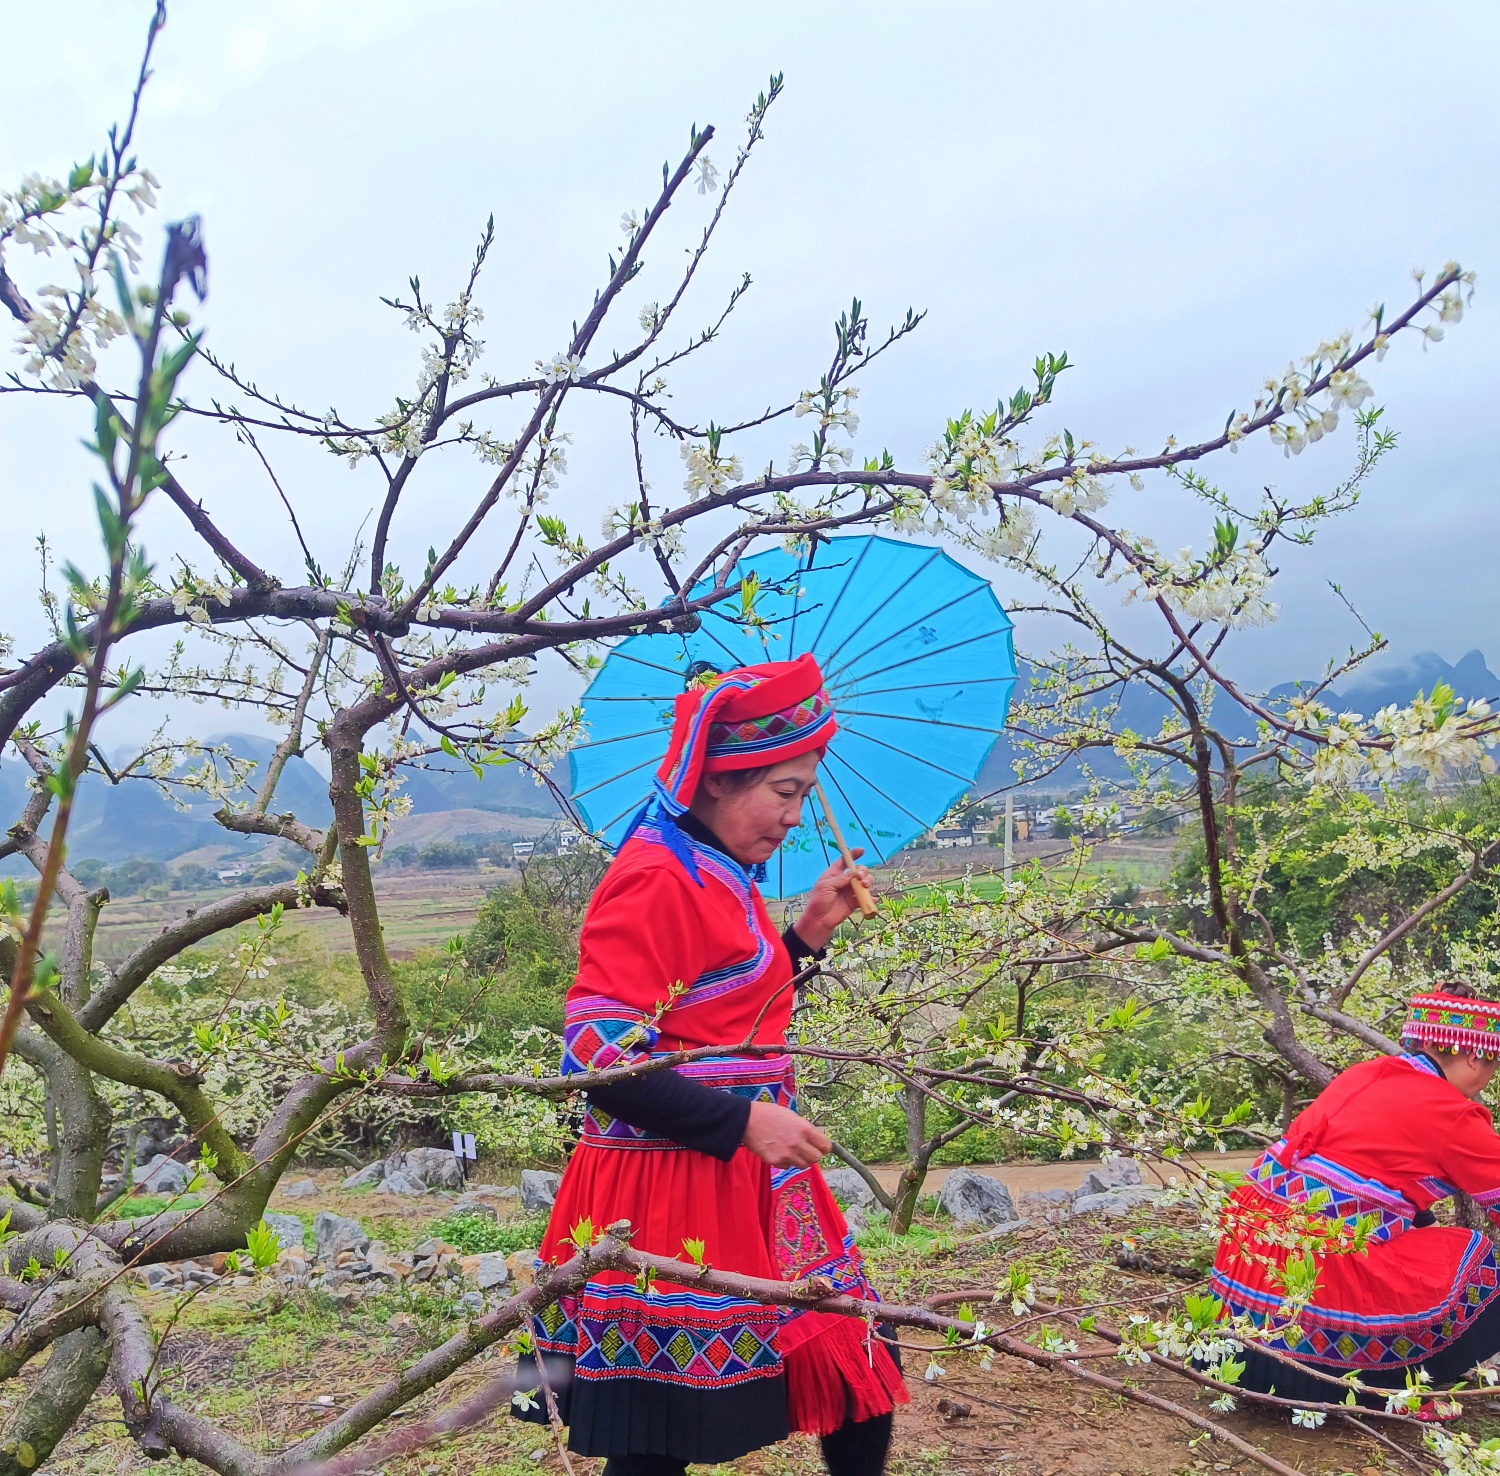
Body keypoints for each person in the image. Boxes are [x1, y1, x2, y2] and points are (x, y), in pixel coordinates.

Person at [516, 654, 908, 1475]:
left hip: (754, 1175)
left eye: (805, 792)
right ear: (719, 779)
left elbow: (723, 1013)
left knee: (858, 1352)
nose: (796, 818)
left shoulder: (719, 871)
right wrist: (741, 1121)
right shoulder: (658, 877)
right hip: (666, 1182)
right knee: (655, 1429)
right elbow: (594, 1056)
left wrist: (806, 934)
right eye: (785, 790)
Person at [1210, 985, 1500, 1411]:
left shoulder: (1366, 1074)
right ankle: (1392, 1383)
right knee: (1478, 1260)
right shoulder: (1454, 1115)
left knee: (1421, 1231)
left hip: (1235, 1325)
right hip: (1313, 1318)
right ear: (1475, 1057)